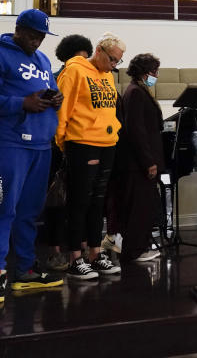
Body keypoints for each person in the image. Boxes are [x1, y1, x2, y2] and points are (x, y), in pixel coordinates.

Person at [0, 9, 64, 305]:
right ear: (18, 28)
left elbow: (51, 91)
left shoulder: (42, 60)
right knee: (4, 209)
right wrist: (22, 103)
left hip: (41, 144)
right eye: (32, 35)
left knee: (29, 212)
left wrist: (56, 98)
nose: (37, 41)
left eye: (41, 37)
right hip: (9, 142)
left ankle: (25, 270)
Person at [55, 32, 124, 279]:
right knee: (80, 201)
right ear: (99, 51)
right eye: (112, 59)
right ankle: (76, 257)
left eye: (118, 61)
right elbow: (63, 108)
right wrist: (62, 140)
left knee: (98, 202)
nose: (114, 65)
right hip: (82, 142)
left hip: (107, 143)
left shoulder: (106, 76)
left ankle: (95, 253)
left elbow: (110, 110)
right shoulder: (74, 70)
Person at [104, 53, 164, 262]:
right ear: (144, 72)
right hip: (137, 164)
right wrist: (149, 162)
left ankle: (137, 247)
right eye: (154, 71)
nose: (156, 75)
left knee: (144, 206)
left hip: (139, 162)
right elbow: (136, 131)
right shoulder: (136, 93)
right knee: (139, 208)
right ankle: (135, 250)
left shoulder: (138, 90)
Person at [44, 34, 94, 271]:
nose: (83, 62)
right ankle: (55, 251)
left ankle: (80, 246)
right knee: (56, 200)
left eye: (86, 57)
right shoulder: (54, 78)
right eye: (79, 57)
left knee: (81, 199)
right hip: (56, 145)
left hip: (80, 145)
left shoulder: (89, 78)